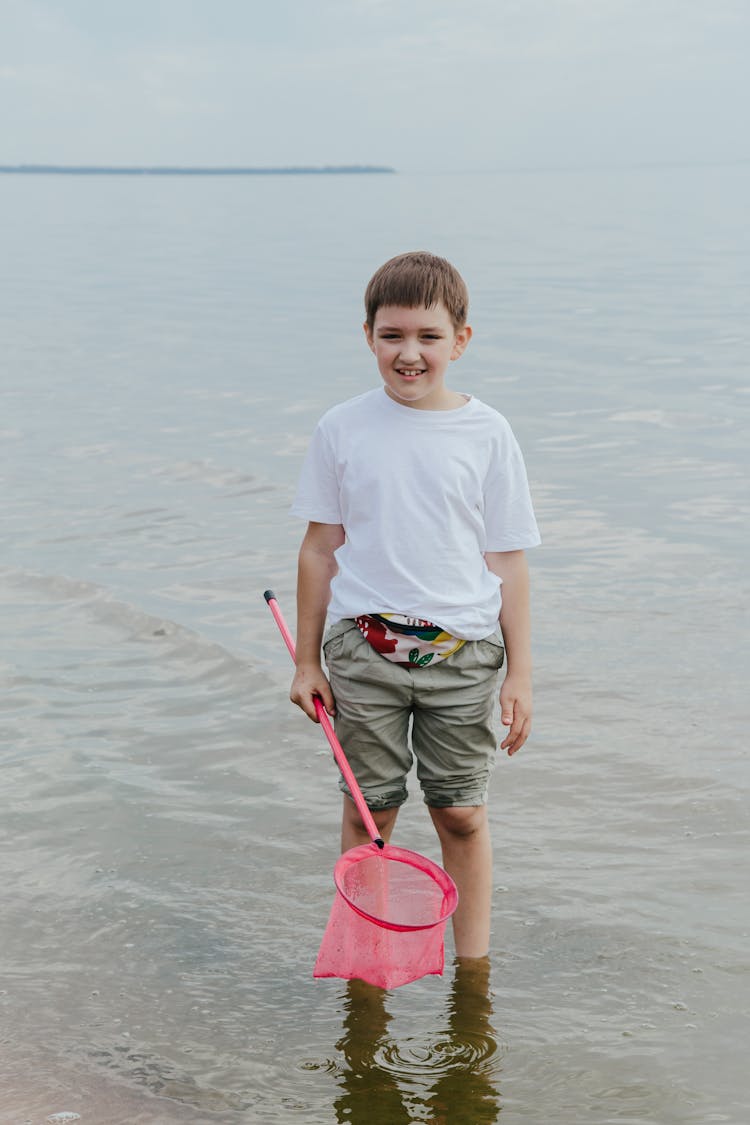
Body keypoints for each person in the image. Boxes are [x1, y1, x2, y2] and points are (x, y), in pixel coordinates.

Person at [289, 251, 540, 959]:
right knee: (372, 811)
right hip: (360, 650)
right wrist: (307, 660)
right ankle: (368, 955)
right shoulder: (341, 427)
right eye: (392, 335)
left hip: (464, 654)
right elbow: (318, 549)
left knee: (460, 811)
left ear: (460, 339)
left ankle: (473, 966)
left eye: (428, 336)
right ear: (367, 335)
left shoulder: (487, 432)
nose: (409, 353)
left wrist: (521, 673)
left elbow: (509, 560)